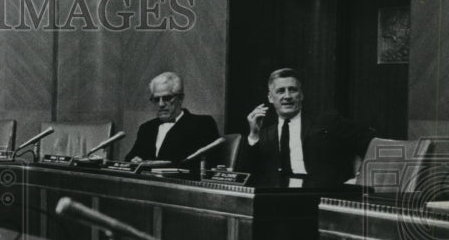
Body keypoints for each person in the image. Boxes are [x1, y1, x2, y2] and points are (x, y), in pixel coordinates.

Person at [238, 67, 374, 188]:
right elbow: (247, 175)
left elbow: (370, 141)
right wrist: (254, 135)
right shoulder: (267, 134)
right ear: (270, 98)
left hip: (321, 196)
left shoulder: (327, 122)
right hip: (277, 197)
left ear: (301, 95)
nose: (287, 96)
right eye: (280, 91)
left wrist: (358, 178)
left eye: (293, 90)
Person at [125, 71, 220, 163]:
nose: (161, 104)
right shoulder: (147, 128)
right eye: (156, 99)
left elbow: (210, 164)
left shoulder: (202, 124)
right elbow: (129, 158)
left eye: (167, 98)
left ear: (180, 98)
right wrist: (134, 161)